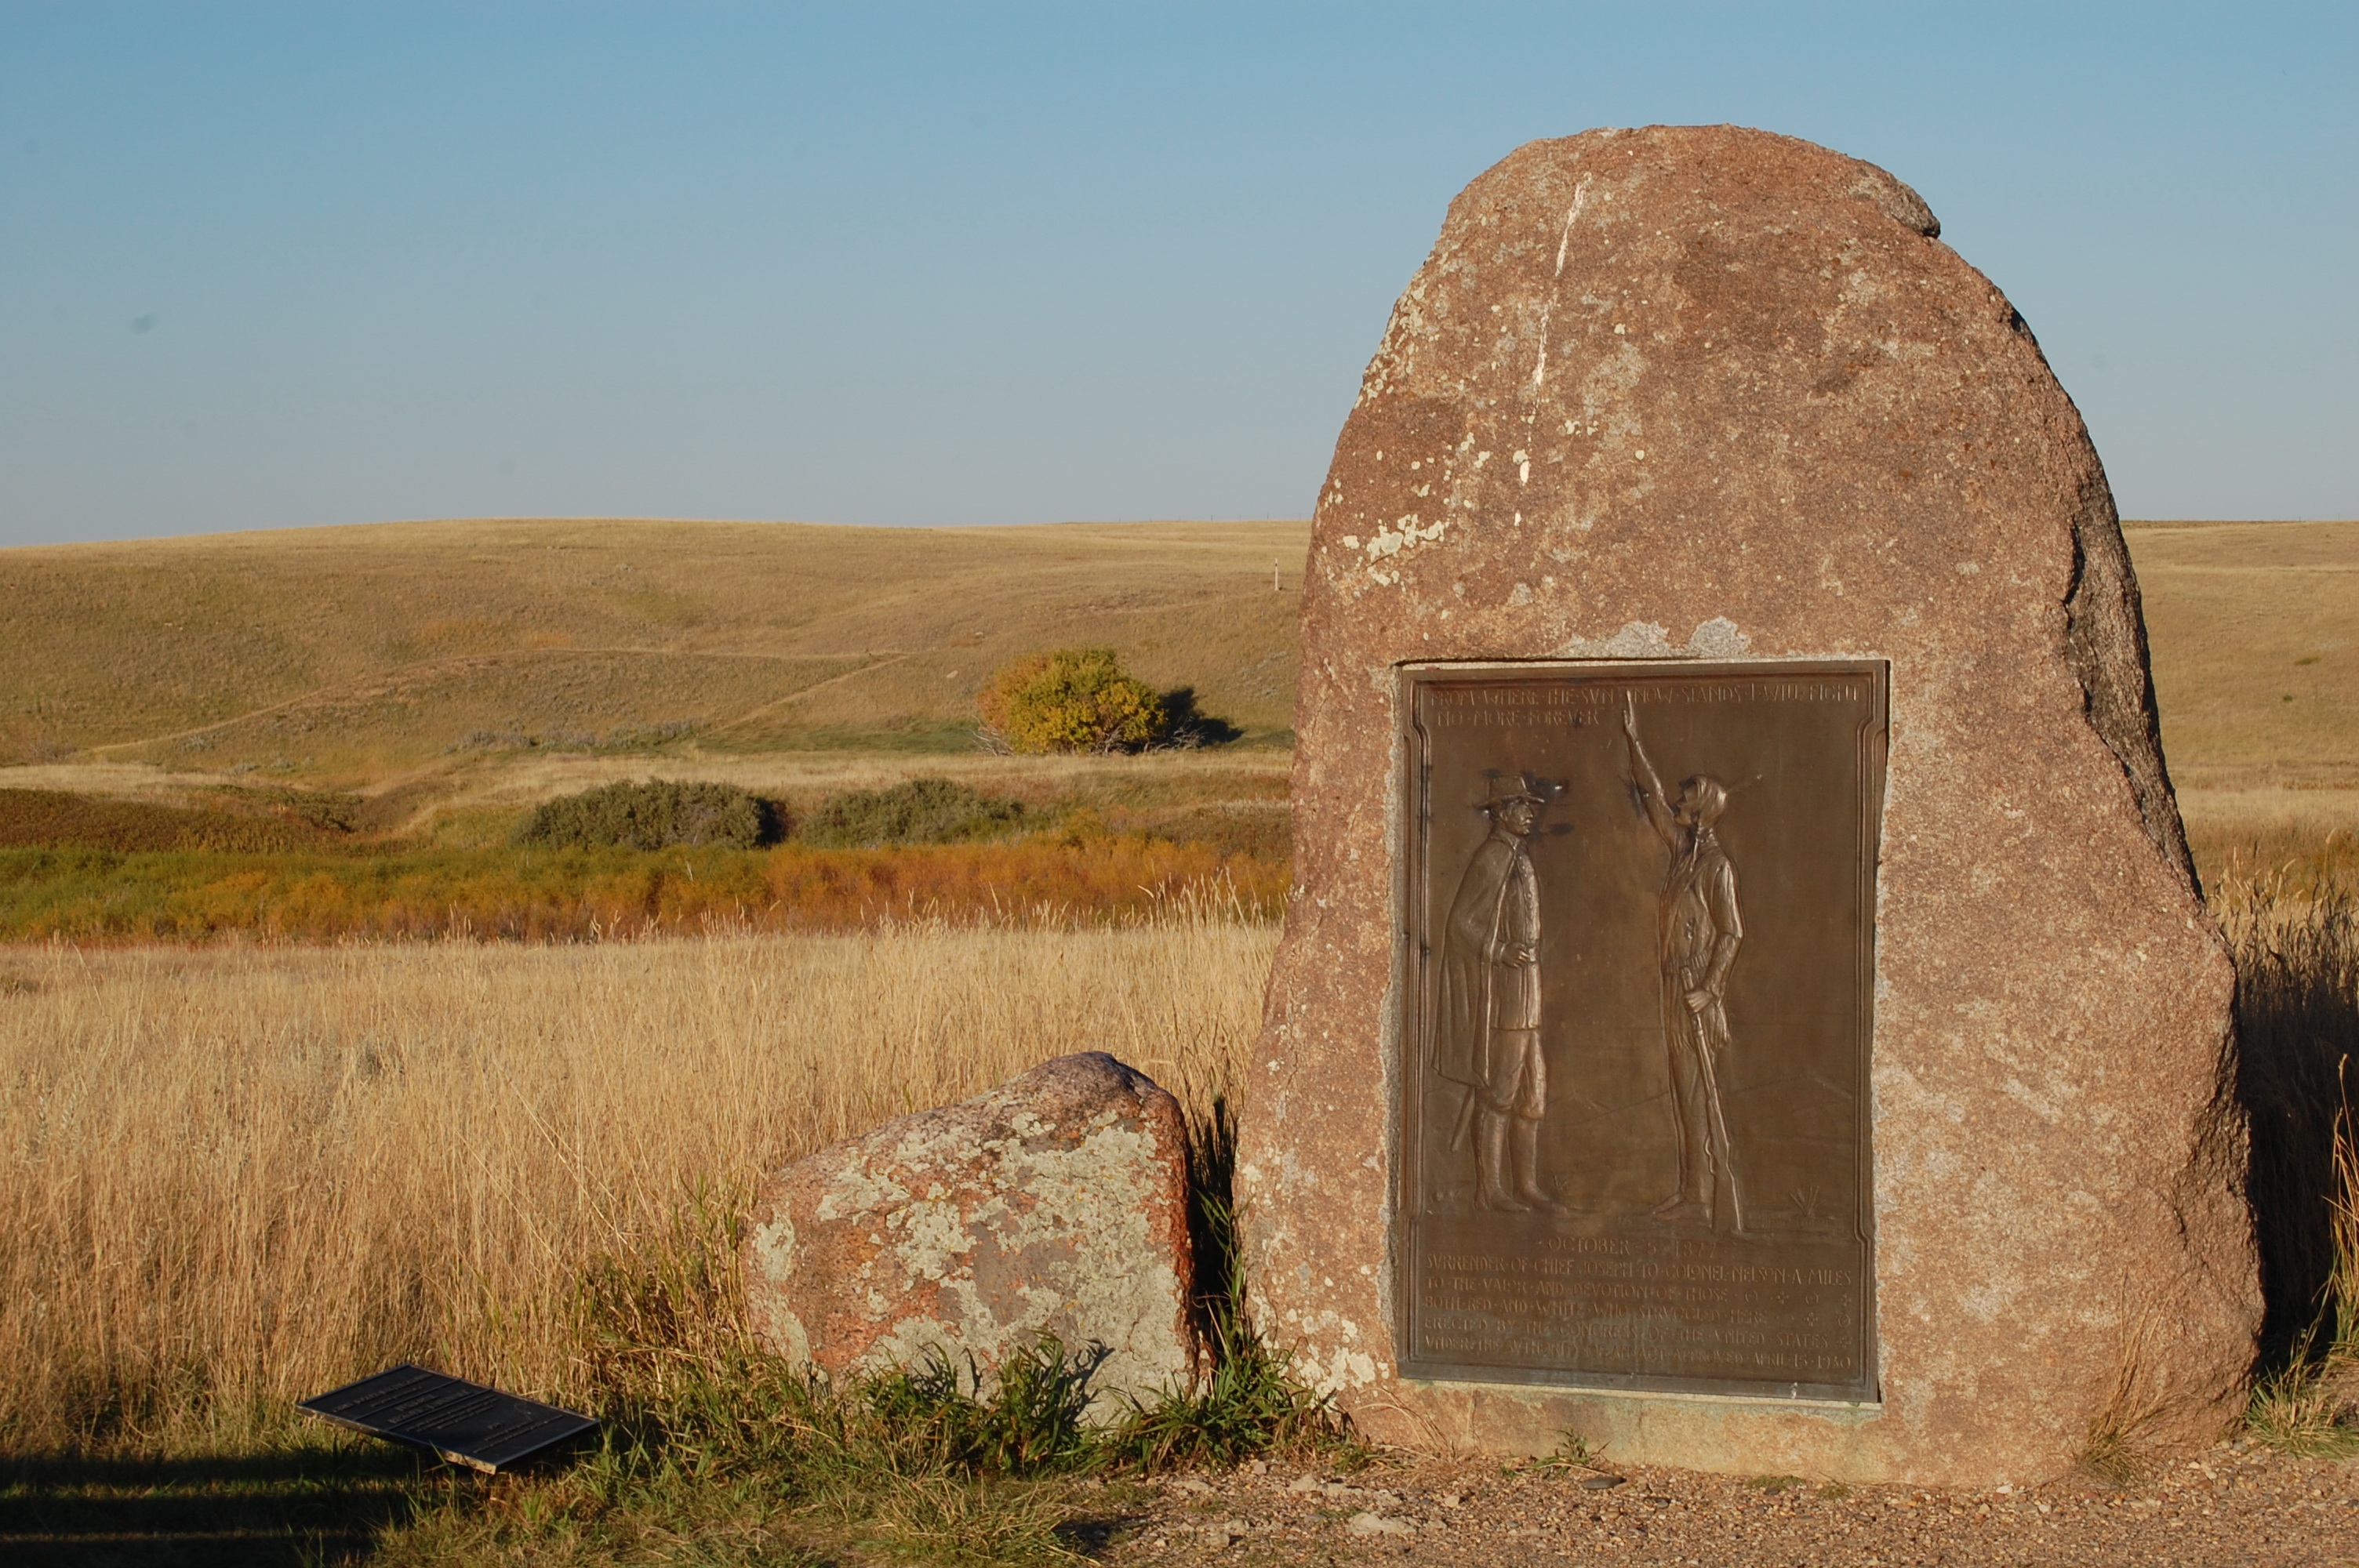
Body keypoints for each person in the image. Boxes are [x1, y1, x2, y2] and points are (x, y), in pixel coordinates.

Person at [1621, 696, 1747, 1230]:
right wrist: (1634, 742)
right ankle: (1692, 1189)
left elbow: (1732, 933)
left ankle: (1708, 1193)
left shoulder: (1715, 868)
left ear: (1702, 810)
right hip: (1675, 985)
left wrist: (1711, 989)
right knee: (1682, 1090)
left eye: (1685, 797)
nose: (1676, 800)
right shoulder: (1681, 857)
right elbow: (1650, 798)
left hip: (1697, 988)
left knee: (1700, 1093)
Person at [1434, 771, 1567, 1215]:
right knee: (1500, 1094)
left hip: (1528, 993)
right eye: (1522, 806)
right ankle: (1489, 1189)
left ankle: (1525, 1184)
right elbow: (1460, 925)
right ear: (1502, 812)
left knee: (1533, 1094)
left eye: (1531, 805)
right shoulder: (1491, 858)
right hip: (1506, 997)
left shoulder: (1520, 858)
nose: (1531, 812)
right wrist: (1500, 948)